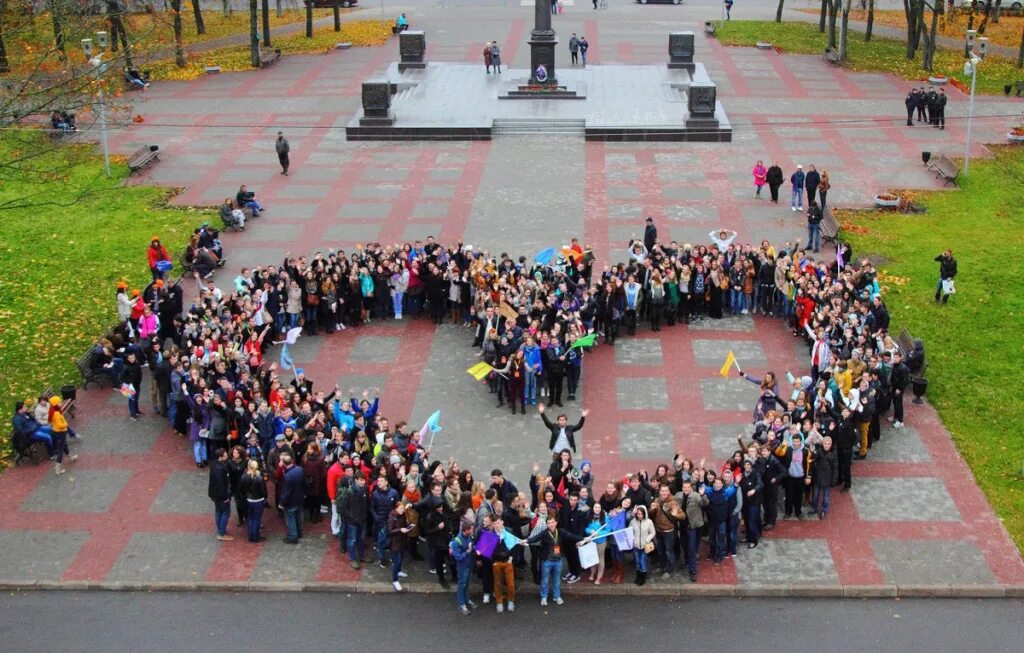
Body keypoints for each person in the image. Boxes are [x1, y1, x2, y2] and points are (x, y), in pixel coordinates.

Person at [524, 514, 583, 606]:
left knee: (557, 580)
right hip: (546, 561)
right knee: (545, 580)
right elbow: (534, 538)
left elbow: (571, 536)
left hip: (558, 561)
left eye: (552, 522)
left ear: (556, 523)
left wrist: (583, 539)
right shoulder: (544, 533)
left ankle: (557, 596)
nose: (551, 524)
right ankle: (544, 597)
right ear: (546, 524)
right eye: (549, 523)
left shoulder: (561, 531)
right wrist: (526, 541)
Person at [490, 516, 521, 612]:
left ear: (502, 522)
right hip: (496, 562)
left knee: (511, 584)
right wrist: (493, 562)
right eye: (494, 523)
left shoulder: (509, 532)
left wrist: (511, 559)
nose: (496, 525)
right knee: (497, 584)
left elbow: (514, 546)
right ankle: (499, 602)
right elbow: (487, 549)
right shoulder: (490, 534)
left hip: (508, 562)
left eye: (498, 523)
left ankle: (511, 601)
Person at [338, 471, 369, 568]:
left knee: (361, 539)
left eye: (363, 480)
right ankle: (353, 559)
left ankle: (362, 556)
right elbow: (342, 507)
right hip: (352, 521)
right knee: (352, 540)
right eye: (360, 480)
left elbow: (366, 503)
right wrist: (350, 516)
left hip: (362, 519)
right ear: (356, 480)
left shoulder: (365, 489)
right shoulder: (349, 491)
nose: (362, 482)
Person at [449, 521, 477, 615]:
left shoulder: (468, 536)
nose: (472, 531)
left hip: (469, 565)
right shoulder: (456, 541)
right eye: (471, 530)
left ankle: (467, 600)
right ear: (466, 530)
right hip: (462, 567)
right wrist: (468, 551)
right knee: (462, 585)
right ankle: (461, 604)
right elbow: (458, 557)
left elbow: (472, 545)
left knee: (466, 584)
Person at [279, 453, 306, 544]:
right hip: (300, 498)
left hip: (291, 501)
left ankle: (293, 537)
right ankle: (300, 533)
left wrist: (282, 503)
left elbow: (286, 492)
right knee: (299, 516)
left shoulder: (287, 476)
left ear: (284, 463)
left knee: (291, 519)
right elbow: (304, 483)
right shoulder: (300, 469)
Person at [239, 459, 268, 542]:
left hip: (249, 500)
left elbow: (240, 490)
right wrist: (265, 498)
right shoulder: (259, 478)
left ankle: (251, 536)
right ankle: (256, 536)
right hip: (258, 501)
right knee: (257, 519)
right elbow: (264, 491)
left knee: (250, 518)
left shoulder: (244, 477)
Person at [209, 448, 234, 541]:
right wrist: (225, 496)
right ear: (220, 457)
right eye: (225, 455)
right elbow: (221, 484)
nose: (227, 456)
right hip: (222, 495)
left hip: (214, 494)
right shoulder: (221, 469)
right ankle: (221, 533)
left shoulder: (214, 464)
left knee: (218, 511)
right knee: (226, 512)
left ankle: (220, 529)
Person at [387, 501, 412, 591]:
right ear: (396, 508)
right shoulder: (392, 517)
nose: (402, 510)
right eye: (400, 508)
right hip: (395, 543)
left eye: (403, 508)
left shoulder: (402, 515)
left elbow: (404, 524)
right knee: (396, 561)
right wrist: (400, 529)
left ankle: (398, 571)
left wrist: (408, 526)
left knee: (400, 558)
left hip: (402, 541)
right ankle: (395, 580)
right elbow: (390, 531)